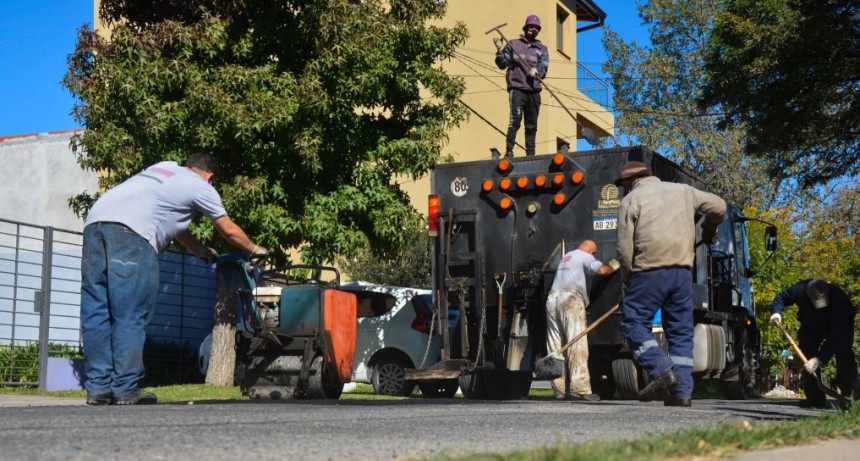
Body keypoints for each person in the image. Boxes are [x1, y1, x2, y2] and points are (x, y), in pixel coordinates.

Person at [80, 153, 267, 405]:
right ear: (210, 176)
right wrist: (254, 249)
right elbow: (228, 230)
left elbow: (176, 227)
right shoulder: (201, 186)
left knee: (97, 313)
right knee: (130, 312)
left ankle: (98, 389)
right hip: (133, 235)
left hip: (95, 225)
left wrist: (201, 251)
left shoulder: (163, 169)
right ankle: (125, 387)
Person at [615, 161, 726, 407]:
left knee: (633, 322)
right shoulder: (685, 192)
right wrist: (709, 230)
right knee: (680, 332)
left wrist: (628, 278)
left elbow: (624, 249)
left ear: (631, 181)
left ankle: (660, 367)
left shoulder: (631, 200)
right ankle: (682, 393)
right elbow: (720, 206)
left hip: (649, 272)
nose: (623, 189)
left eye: (623, 184)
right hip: (682, 273)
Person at [546, 240, 620, 401]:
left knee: (555, 345)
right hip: (571, 299)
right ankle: (579, 388)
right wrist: (613, 266)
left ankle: (559, 389)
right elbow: (601, 270)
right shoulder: (586, 257)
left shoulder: (567, 257)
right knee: (576, 344)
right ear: (592, 252)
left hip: (552, 299)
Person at [769, 279, 859, 408]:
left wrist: (819, 359)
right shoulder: (799, 289)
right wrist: (776, 312)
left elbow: (835, 337)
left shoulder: (840, 301)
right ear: (808, 295)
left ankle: (851, 397)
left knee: (844, 354)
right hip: (811, 325)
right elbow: (781, 298)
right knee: (806, 356)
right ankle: (815, 399)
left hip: (838, 327)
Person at [493, 14, 549, 157]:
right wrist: (499, 50)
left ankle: (530, 155)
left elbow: (544, 67)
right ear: (525, 28)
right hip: (517, 88)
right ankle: (509, 152)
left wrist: (537, 71)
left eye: (536, 28)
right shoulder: (513, 44)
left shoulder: (542, 48)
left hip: (534, 90)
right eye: (531, 27)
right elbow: (502, 64)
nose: (533, 30)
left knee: (532, 125)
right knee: (515, 121)